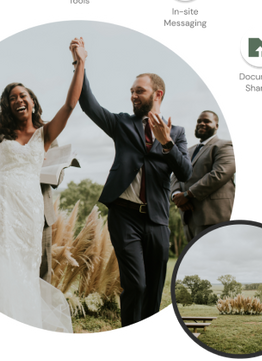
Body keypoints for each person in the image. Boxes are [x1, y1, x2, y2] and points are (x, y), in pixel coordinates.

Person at [0, 37, 88, 332]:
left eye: (23, 95)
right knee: (0, 263)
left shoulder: (45, 133)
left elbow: (71, 103)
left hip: (29, 208)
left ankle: (26, 323)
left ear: (33, 101)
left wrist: (80, 62)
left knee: (25, 266)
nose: (18, 100)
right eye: (12, 98)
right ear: (8, 107)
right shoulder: (0, 136)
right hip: (0, 203)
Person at [74, 38, 192, 327]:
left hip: (157, 220)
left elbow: (186, 172)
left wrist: (166, 143)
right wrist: (80, 62)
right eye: (131, 92)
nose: (133, 96)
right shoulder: (122, 123)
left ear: (157, 94)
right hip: (124, 215)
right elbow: (88, 103)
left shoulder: (176, 132)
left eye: (139, 91)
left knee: (153, 293)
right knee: (136, 286)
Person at [170, 110, 235, 241]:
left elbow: (219, 174)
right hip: (189, 218)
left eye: (207, 121)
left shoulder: (225, 146)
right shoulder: (188, 151)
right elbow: (176, 174)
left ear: (216, 126)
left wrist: (187, 194)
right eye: (199, 121)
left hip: (214, 217)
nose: (201, 123)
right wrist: (176, 195)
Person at [40, 141, 64, 284]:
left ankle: (41, 306)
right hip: (12, 209)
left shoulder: (48, 133)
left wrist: (56, 172)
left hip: (43, 215)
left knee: (43, 274)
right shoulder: (5, 128)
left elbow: (58, 177)